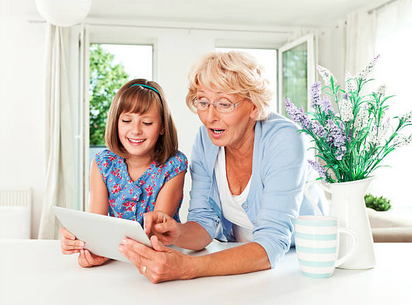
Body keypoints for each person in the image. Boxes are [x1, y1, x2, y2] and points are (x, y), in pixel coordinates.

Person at [118, 51, 327, 283]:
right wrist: (177, 232)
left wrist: (187, 267)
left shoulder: (285, 138)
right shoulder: (206, 140)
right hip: (240, 263)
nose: (209, 117)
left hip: (299, 265)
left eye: (224, 104)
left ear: (255, 107)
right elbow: (203, 223)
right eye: (203, 102)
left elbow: (272, 245)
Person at [60, 79, 188, 268]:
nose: (135, 130)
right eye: (127, 121)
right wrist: (79, 239)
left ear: (162, 127)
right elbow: (97, 222)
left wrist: (105, 248)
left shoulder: (174, 165)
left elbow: (155, 232)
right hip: (118, 260)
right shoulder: (103, 163)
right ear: (116, 123)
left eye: (147, 122)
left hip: (161, 259)